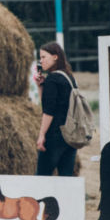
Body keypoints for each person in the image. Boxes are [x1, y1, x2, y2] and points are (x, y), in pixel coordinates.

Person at [33, 41, 77, 176]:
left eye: (44, 57)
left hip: (54, 136)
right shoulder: (68, 77)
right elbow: (50, 104)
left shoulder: (52, 79)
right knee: (66, 178)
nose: (41, 61)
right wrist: (41, 86)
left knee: (42, 177)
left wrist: (41, 135)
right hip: (70, 136)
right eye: (40, 58)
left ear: (55, 57)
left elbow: (48, 111)